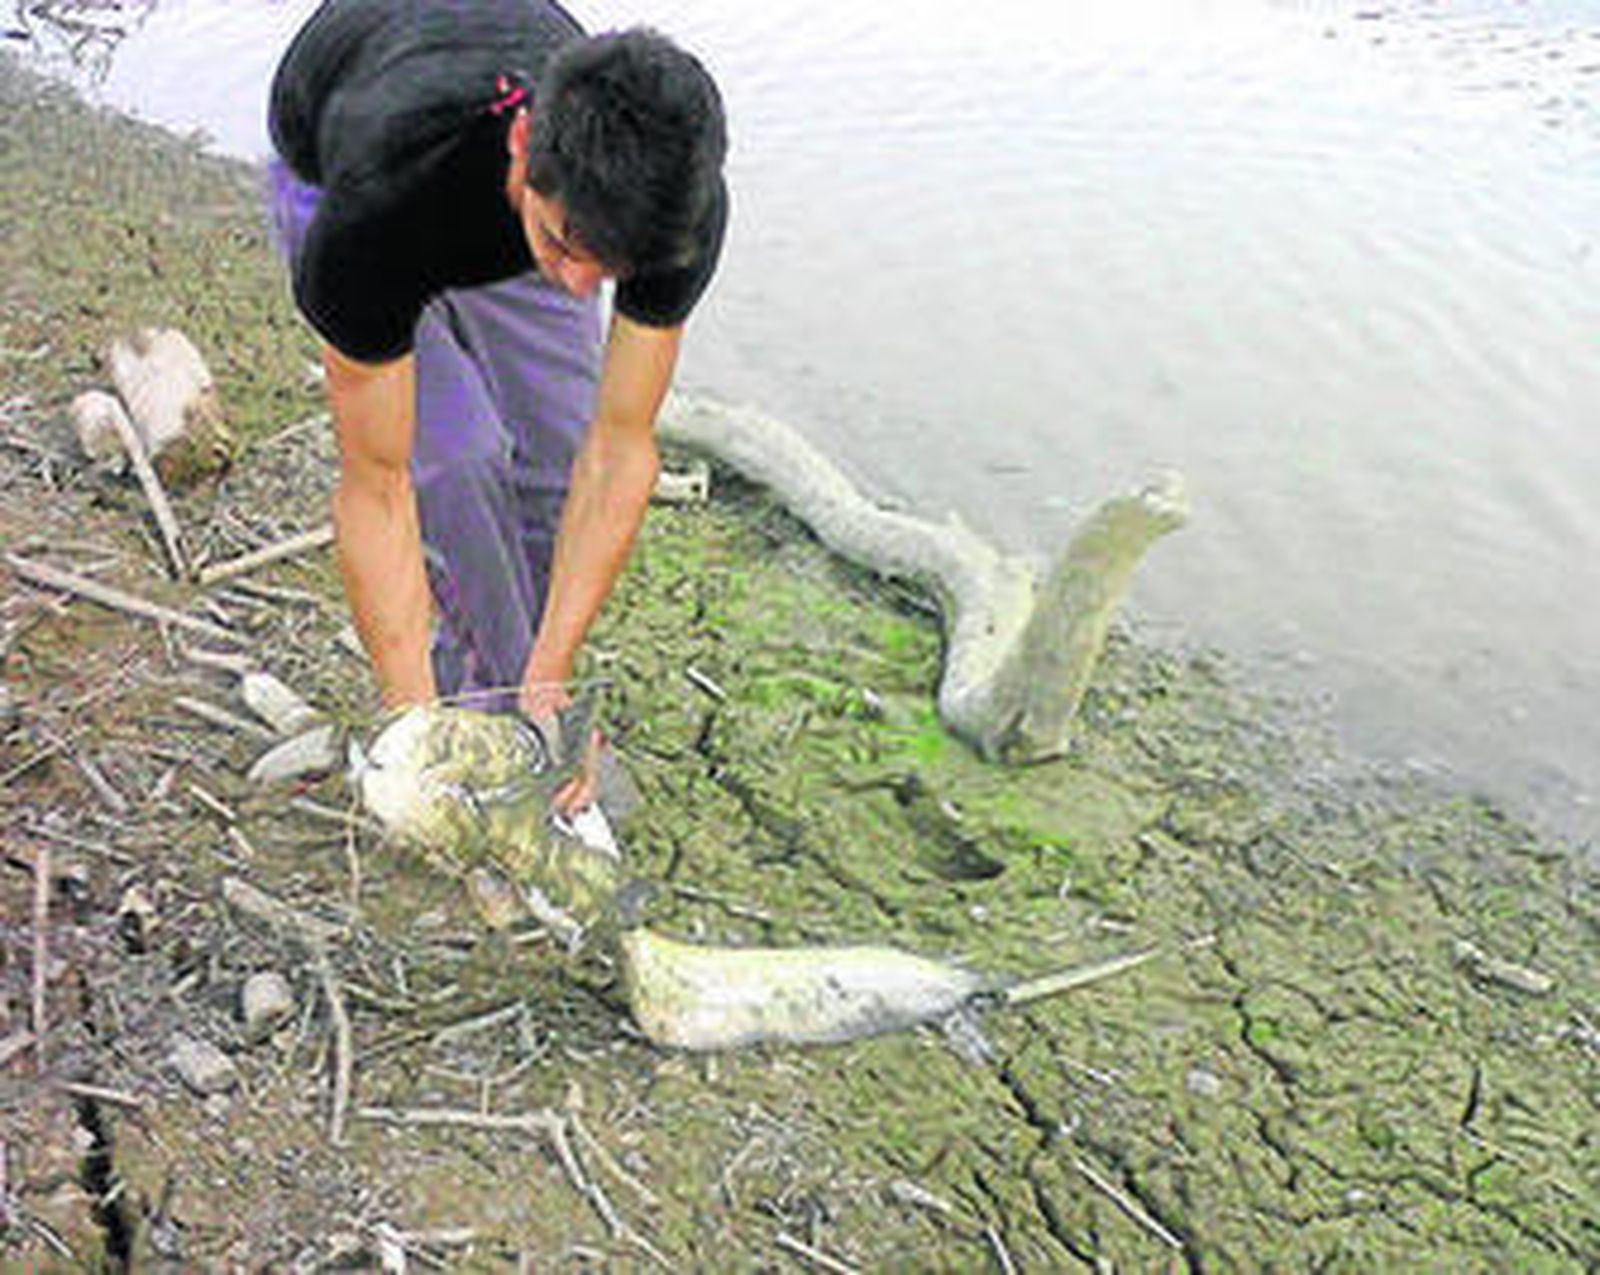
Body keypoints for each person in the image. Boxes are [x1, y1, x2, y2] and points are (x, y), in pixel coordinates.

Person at [266, 0, 728, 805]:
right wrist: (414, 730)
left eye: (607, 273)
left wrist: (552, 670)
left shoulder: (669, 208)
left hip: (531, 205)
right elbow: (378, 487)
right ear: (521, 142)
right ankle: (468, 733)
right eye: (566, 250)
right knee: (459, 463)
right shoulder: (378, 201)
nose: (580, 288)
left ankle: (521, 701)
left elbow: (618, 449)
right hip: (355, 183)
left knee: (562, 458)